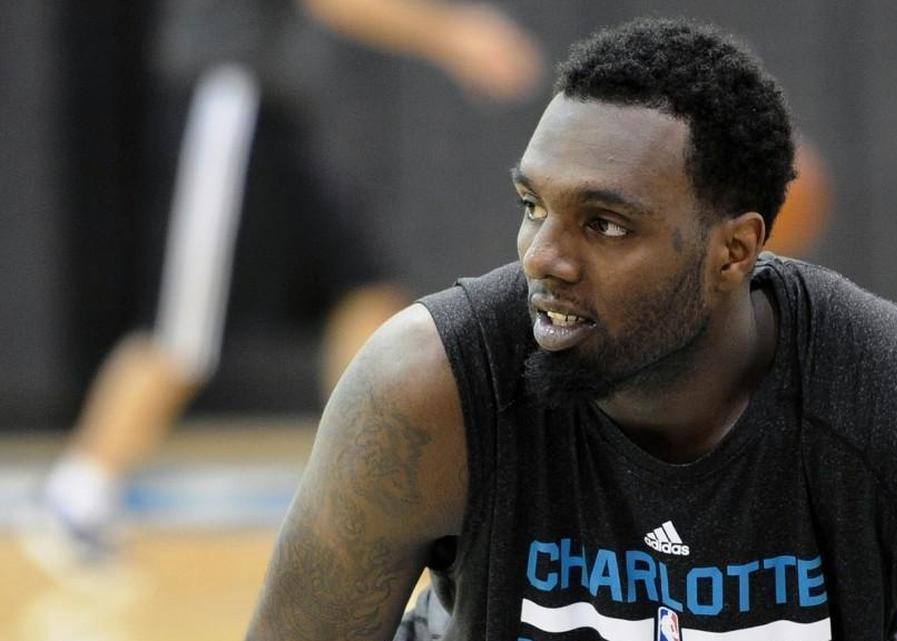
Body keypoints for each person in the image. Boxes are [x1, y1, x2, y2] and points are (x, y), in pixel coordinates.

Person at [246, 18, 897, 641]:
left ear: (735, 251)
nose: (545, 256)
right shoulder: (429, 386)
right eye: (532, 206)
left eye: (606, 224)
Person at [24, 0, 542, 571]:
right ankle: (80, 493)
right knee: (182, 332)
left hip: (268, 109)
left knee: (365, 295)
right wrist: (456, 35)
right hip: (225, 101)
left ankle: (360, 496)